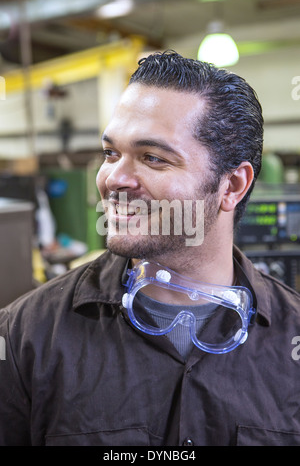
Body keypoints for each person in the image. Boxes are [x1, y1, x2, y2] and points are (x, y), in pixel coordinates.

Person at [0, 51, 300, 447]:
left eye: (152, 158)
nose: (113, 179)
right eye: (111, 153)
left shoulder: (290, 341)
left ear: (232, 186)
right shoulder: (25, 337)